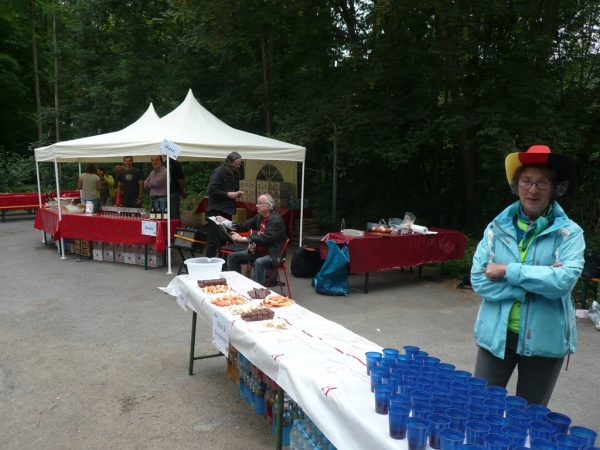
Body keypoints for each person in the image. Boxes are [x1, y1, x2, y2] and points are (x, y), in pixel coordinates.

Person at [471, 144, 585, 406]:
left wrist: (506, 270)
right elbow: (479, 280)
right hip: (496, 336)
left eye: (542, 182)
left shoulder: (570, 233)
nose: (533, 189)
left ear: (555, 188)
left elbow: (563, 282)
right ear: (517, 185)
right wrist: (540, 279)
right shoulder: (496, 228)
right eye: (527, 181)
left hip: (545, 341)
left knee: (529, 416)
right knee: (481, 407)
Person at [216, 194, 287, 284]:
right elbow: (244, 225)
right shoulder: (259, 216)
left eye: (259, 203)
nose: (257, 205)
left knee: (259, 262)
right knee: (234, 257)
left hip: (274, 255)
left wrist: (244, 239)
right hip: (260, 252)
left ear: (268, 206)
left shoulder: (276, 220)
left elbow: (265, 238)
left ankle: (257, 289)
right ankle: (237, 285)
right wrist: (226, 221)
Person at [205, 152, 244, 257]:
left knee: (225, 240)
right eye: (236, 164)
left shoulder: (234, 174)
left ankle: (223, 263)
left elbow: (230, 190)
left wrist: (236, 193)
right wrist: (228, 194)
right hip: (216, 210)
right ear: (228, 162)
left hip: (227, 210)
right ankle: (209, 263)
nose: (238, 166)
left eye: (239, 164)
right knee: (214, 240)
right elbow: (212, 189)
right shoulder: (219, 172)